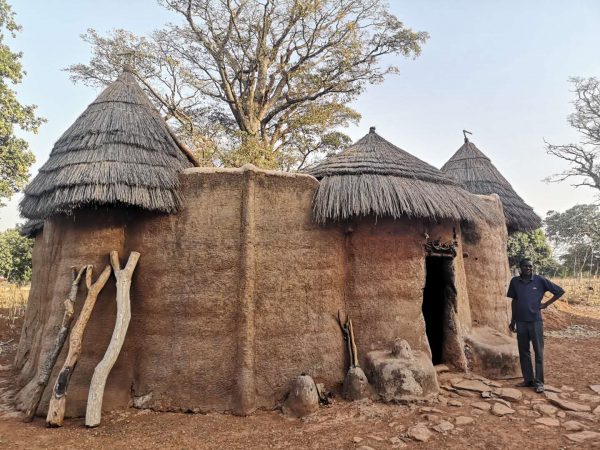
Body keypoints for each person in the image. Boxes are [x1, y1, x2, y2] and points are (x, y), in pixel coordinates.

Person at [507, 259, 564, 393]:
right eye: (525, 266)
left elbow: (559, 291)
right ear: (520, 267)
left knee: (538, 352)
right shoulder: (514, 282)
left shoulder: (540, 280)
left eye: (530, 266)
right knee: (524, 352)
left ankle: (539, 382)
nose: (528, 268)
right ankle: (528, 380)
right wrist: (512, 321)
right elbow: (514, 302)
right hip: (520, 322)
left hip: (535, 322)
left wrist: (546, 304)